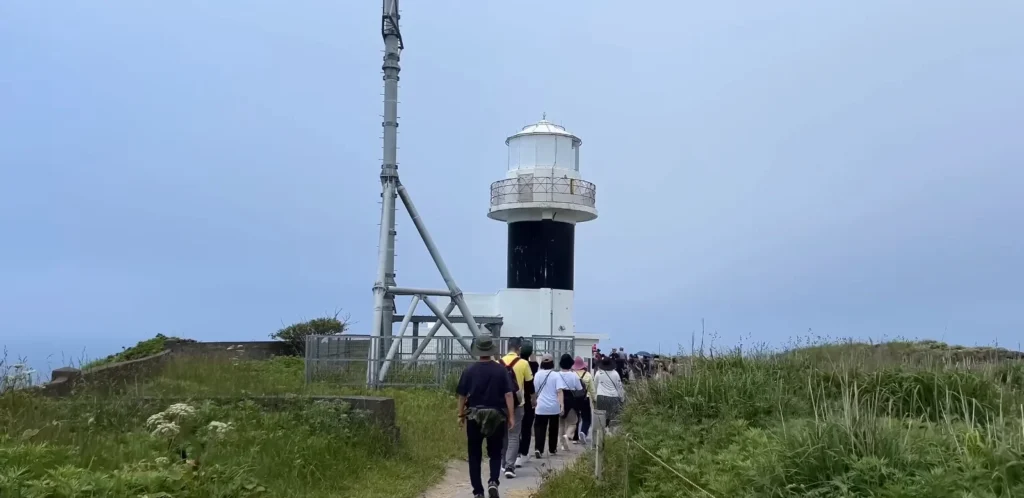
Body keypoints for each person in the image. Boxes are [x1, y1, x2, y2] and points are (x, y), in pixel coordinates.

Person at [456, 333, 515, 498]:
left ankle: (478, 492)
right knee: (496, 452)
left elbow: (462, 395)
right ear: (491, 350)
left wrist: (460, 414)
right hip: (497, 415)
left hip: (474, 415)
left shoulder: (469, 370)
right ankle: (493, 482)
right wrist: (511, 416)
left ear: (478, 350)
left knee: (474, 454)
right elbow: (508, 395)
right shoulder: (501, 370)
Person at [499, 337, 533, 478]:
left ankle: (503, 463)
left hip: (500, 404)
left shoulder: (498, 362)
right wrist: (534, 400)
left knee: (503, 435)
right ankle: (509, 467)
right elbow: (529, 385)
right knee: (514, 435)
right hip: (518, 404)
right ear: (519, 348)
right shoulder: (524, 363)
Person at [532, 353, 566, 458]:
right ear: (552, 363)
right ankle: (552, 449)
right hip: (553, 407)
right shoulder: (556, 375)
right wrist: (562, 405)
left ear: (541, 363)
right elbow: (559, 391)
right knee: (553, 428)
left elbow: (535, 391)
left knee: (539, 428)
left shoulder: (537, 375)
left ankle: (538, 448)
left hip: (540, 406)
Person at [556, 353, 586, 452]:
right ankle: (568, 436)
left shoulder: (556, 375)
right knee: (573, 422)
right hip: (570, 399)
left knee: (561, 423)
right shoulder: (574, 376)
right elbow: (579, 389)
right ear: (570, 364)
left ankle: (562, 444)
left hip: (559, 399)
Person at [517, 351, 539, 463]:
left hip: (516, 400)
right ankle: (524, 453)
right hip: (528, 402)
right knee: (526, 428)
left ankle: (515, 453)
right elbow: (534, 360)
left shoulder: (515, 365)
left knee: (516, 430)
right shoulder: (533, 366)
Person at [594, 356, 625, 430]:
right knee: (612, 418)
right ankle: (609, 433)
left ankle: (601, 433)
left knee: (601, 417)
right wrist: (622, 398)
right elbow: (619, 387)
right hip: (613, 397)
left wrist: (594, 398)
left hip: (601, 397)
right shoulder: (615, 373)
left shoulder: (598, 373)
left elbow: (595, 386)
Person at [570, 356, 594, 446]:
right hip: (585, 399)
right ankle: (583, 432)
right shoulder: (588, 375)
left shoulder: (572, 375)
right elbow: (592, 390)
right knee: (586, 418)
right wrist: (595, 400)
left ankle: (574, 438)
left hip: (574, 399)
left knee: (575, 418)